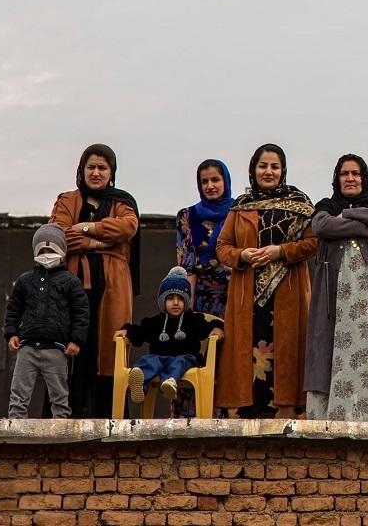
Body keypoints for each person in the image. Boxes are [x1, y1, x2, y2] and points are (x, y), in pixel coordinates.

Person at [215, 143, 317, 418]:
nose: (269, 172)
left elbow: (313, 243)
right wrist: (242, 255)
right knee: (245, 353)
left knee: (287, 352)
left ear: (283, 170)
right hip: (247, 294)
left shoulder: (300, 204)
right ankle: (246, 413)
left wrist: (280, 251)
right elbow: (222, 247)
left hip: (288, 294)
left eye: (274, 166)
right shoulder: (240, 207)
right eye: (263, 166)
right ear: (253, 169)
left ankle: (286, 412)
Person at [49, 143, 140, 418]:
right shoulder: (67, 200)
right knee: (71, 352)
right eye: (91, 167)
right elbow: (59, 235)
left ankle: (110, 420)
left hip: (112, 288)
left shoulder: (123, 202)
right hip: (72, 288)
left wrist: (87, 229)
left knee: (109, 353)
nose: (96, 173)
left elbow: (128, 227)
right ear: (82, 170)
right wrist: (101, 242)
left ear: (111, 172)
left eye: (102, 168)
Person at [305, 154, 368, 421]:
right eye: (344, 174)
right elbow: (322, 225)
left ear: (364, 178)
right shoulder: (325, 206)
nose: (350, 178)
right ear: (337, 178)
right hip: (334, 298)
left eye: (355, 174)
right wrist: (366, 230)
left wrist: (347, 214)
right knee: (329, 348)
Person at [4, 224, 90, 419]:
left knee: (59, 395)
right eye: (42, 250)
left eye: (51, 250)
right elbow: (13, 309)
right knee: (18, 393)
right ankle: (15, 427)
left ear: (61, 252)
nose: (46, 254)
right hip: (27, 348)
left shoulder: (71, 282)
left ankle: (60, 429)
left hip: (56, 349)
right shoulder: (25, 281)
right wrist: (11, 333)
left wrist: (76, 340)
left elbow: (81, 313)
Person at [114, 267, 225, 405]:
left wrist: (216, 328)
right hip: (160, 357)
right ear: (163, 302)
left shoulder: (193, 320)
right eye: (170, 298)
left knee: (180, 361)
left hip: (187, 357)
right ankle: (139, 383)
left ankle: (170, 381)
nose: (176, 303)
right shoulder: (155, 322)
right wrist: (126, 331)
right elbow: (139, 332)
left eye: (180, 299)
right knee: (148, 360)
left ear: (186, 301)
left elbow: (209, 326)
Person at [174, 159, 233, 417]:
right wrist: (186, 310)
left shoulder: (240, 212)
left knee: (229, 357)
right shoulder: (187, 217)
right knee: (196, 354)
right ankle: (191, 419)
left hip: (235, 294)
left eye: (215, 180)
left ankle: (229, 418)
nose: (210, 186)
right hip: (200, 298)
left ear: (226, 181)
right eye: (204, 181)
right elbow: (187, 264)